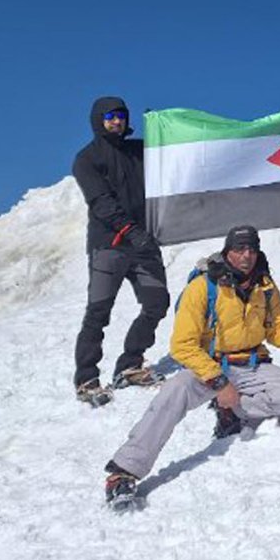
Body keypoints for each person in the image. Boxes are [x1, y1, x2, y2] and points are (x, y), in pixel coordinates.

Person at [102, 226, 280, 508]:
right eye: (239, 249)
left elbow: (276, 329)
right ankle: (124, 470)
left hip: (252, 363)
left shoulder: (265, 286)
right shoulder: (203, 287)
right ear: (227, 251)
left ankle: (230, 412)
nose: (246, 256)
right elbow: (182, 345)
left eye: (251, 249)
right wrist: (220, 383)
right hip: (208, 365)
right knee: (174, 392)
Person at [71, 96, 170, 405]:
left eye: (121, 116)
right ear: (98, 120)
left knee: (157, 303)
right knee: (99, 311)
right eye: (110, 116)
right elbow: (101, 203)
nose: (116, 121)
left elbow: (172, 157)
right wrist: (131, 232)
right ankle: (87, 379)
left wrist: (162, 131)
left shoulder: (140, 151)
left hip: (143, 246)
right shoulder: (87, 159)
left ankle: (129, 364)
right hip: (109, 247)